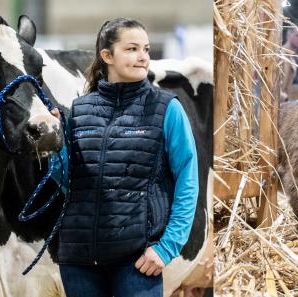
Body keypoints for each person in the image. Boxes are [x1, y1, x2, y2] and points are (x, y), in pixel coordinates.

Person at [51, 18, 199, 297]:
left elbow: (188, 181)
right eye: (132, 49)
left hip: (138, 260)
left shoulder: (167, 108)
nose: (143, 56)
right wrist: (55, 145)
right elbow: (68, 181)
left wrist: (168, 247)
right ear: (107, 56)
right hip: (79, 258)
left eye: (145, 49)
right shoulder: (79, 110)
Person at [281, 27, 298, 102]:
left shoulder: (297, 58)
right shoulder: (280, 55)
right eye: (297, 35)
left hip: (297, 102)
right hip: (284, 103)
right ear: (289, 35)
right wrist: (280, 95)